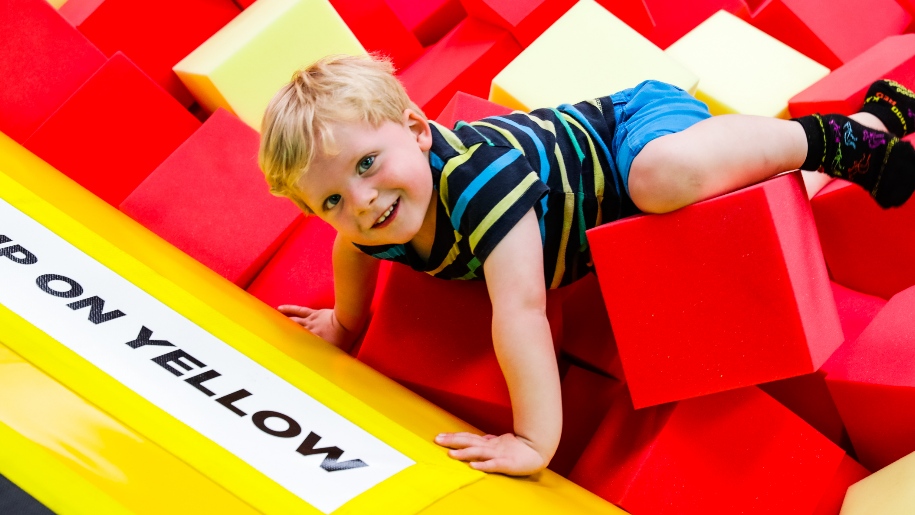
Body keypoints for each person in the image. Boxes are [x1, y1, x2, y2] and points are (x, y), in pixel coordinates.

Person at [258, 54, 915, 476]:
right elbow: (352, 253)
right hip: (587, 204)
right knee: (652, 188)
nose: (364, 201)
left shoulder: (479, 184)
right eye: (333, 198)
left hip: (627, 132)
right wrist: (344, 324)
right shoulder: (369, 223)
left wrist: (533, 439)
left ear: (418, 129)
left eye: (368, 164)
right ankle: (872, 117)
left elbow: (521, 309)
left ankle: (836, 140)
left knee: (660, 179)